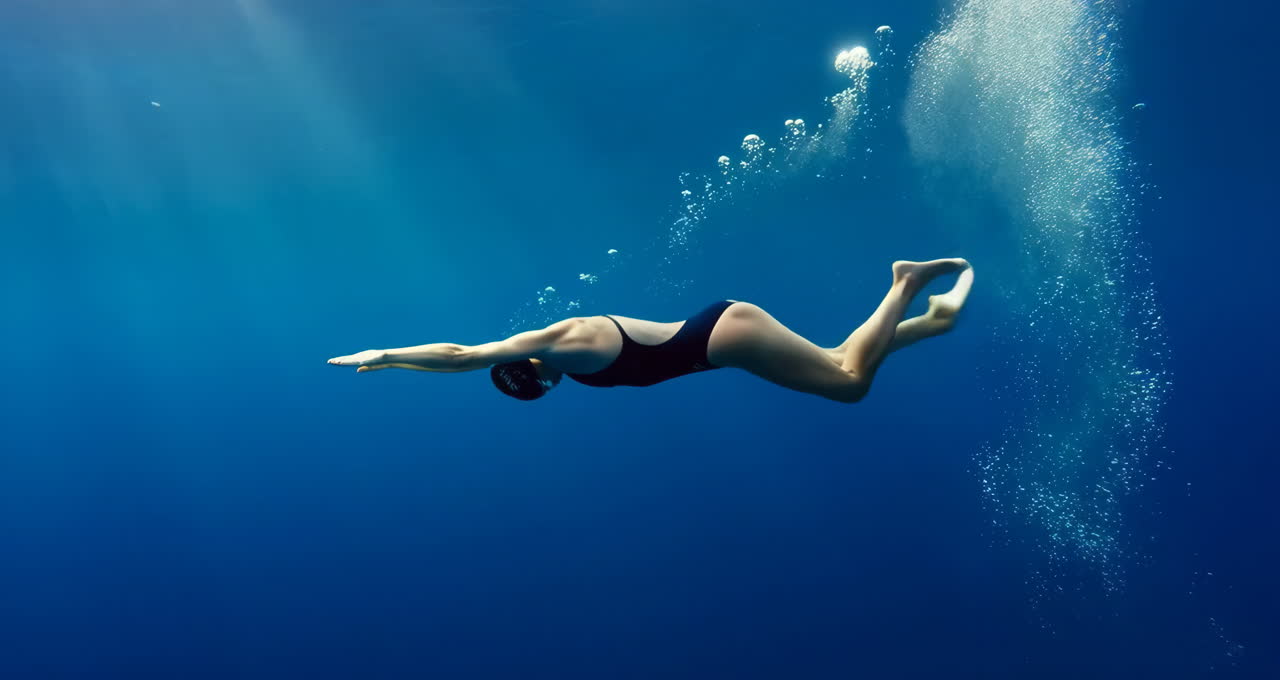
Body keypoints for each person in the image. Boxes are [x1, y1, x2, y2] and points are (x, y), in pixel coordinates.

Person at [328, 258, 974, 403]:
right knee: (838, 359)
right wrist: (397, 368)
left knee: (850, 385)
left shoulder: (563, 344)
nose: (547, 388)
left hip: (724, 336)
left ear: (528, 371)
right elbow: (471, 361)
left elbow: (464, 355)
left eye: (533, 387)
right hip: (725, 339)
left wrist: (388, 355)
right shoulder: (561, 360)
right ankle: (929, 322)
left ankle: (904, 283)